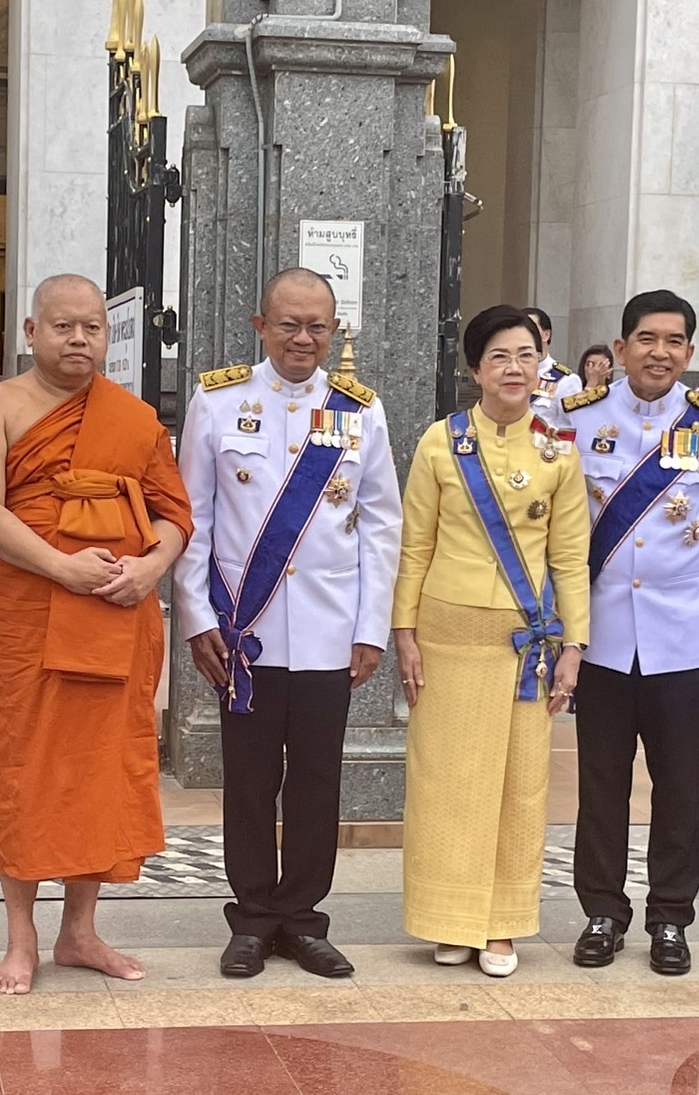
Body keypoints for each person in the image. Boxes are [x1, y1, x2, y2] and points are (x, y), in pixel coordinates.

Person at [0, 274, 192, 995]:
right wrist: (63, 567)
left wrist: (151, 567)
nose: (79, 340)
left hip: (114, 615)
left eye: (92, 327)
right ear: (31, 332)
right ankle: (20, 938)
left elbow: (174, 513)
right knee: (19, 770)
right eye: (63, 326)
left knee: (99, 771)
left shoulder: (133, 418)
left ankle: (80, 932)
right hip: (26, 619)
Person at [174, 268, 400, 979]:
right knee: (247, 781)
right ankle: (251, 919)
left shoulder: (360, 411)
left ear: (334, 332)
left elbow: (381, 527)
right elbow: (193, 519)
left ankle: (302, 919)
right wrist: (196, 618)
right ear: (260, 327)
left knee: (315, 780)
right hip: (245, 633)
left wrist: (370, 629)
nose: (303, 339)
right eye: (289, 325)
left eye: (317, 327)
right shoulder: (216, 403)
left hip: (329, 630)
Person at [562, 290, 699, 975]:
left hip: (681, 639)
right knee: (600, 785)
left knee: (678, 787)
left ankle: (671, 917)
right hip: (602, 638)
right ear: (620, 349)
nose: (659, 352)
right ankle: (601, 912)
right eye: (646, 339)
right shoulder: (578, 418)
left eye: (674, 341)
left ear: (689, 352)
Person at [395, 304, 590, 977]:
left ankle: (501, 924)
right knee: (446, 782)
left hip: (523, 648)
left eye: (526, 355)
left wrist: (574, 647)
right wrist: (404, 633)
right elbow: (414, 547)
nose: (514, 368)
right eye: (499, 356)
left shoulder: (559, 449)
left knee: (518, 785)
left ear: (541, 366)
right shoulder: (439, 442)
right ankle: (449, 920)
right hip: (446, 639)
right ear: (475, 369)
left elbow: (569, 558)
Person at [525, 306, 582, 425]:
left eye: (531, 329)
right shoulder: (509, 374)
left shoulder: (566, 380)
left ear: (546, 335)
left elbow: (571, 428)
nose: (524, 335)